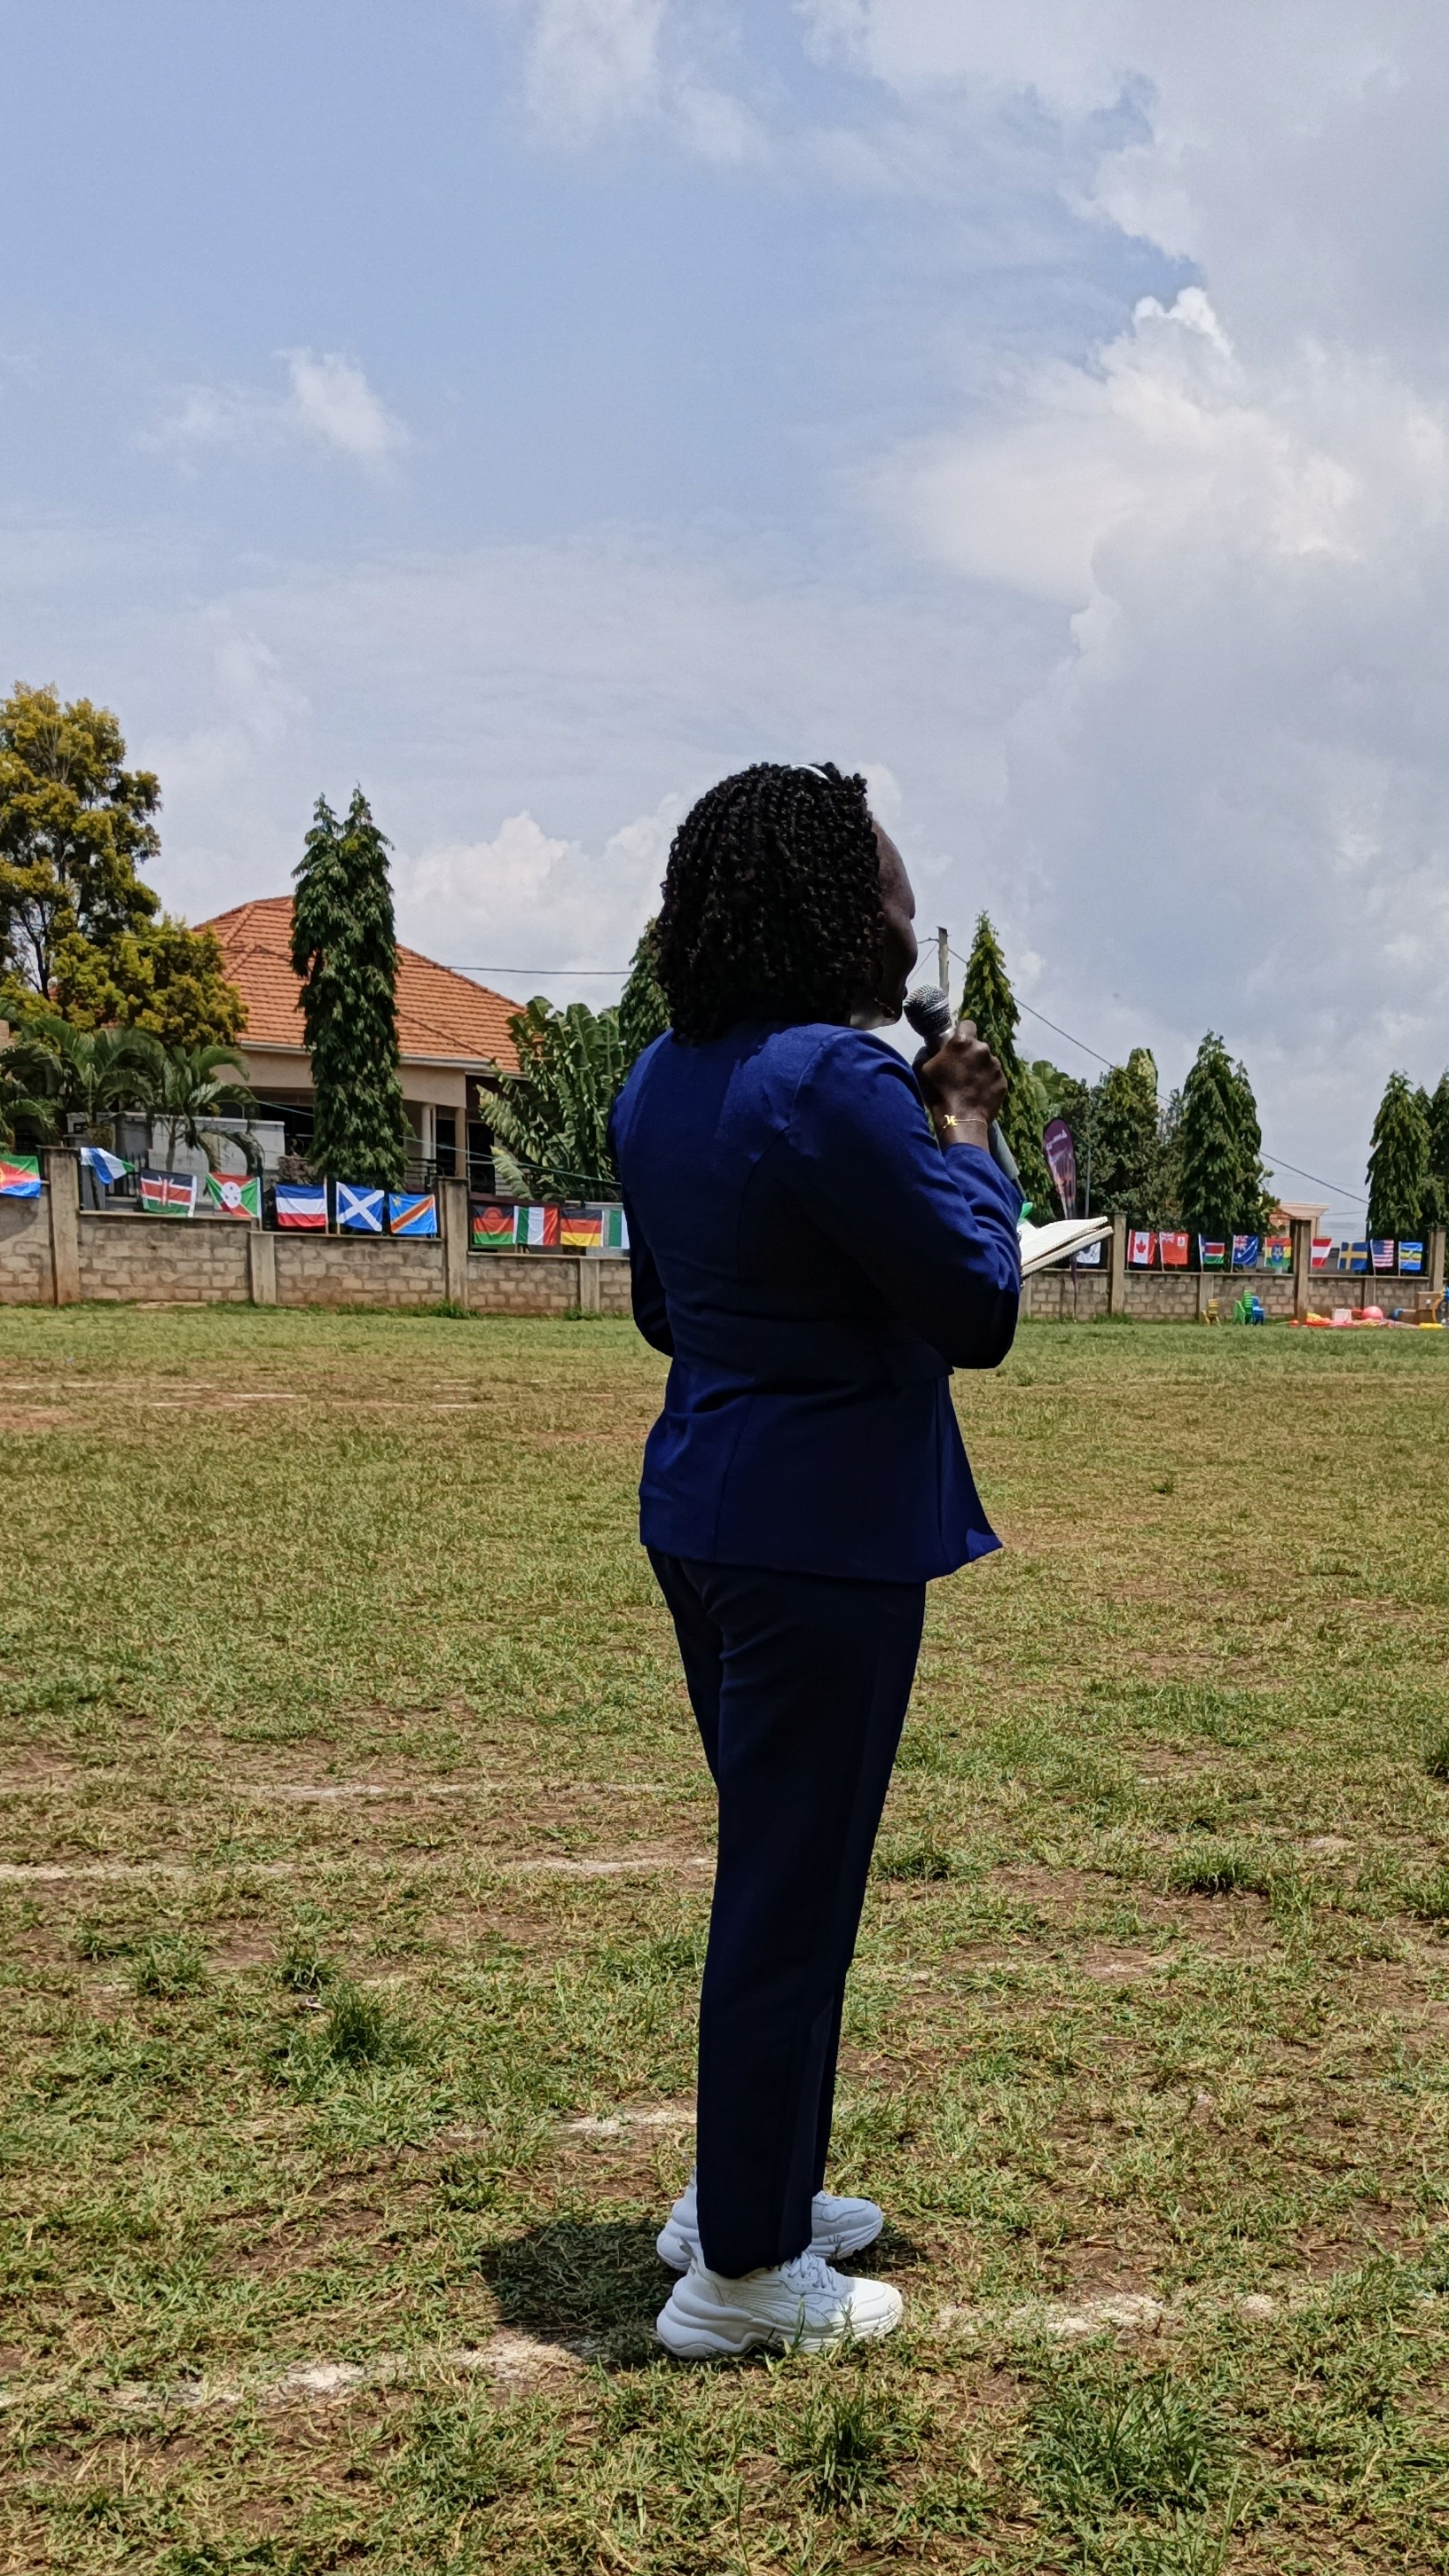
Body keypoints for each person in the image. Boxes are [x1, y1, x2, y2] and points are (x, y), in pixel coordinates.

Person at [612, 760, 1020, 2359]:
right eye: (895, 892)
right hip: (824, 1532)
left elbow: (665, 1308)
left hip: (706, 1513)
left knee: (775, 1870)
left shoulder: (661, 1076)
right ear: (838, 910)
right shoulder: (837, 1078)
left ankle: (745, 2191)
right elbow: (978, 1301)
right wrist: (965, 1125)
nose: (911, 926)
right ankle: (742, 2275)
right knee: (792, 1894)